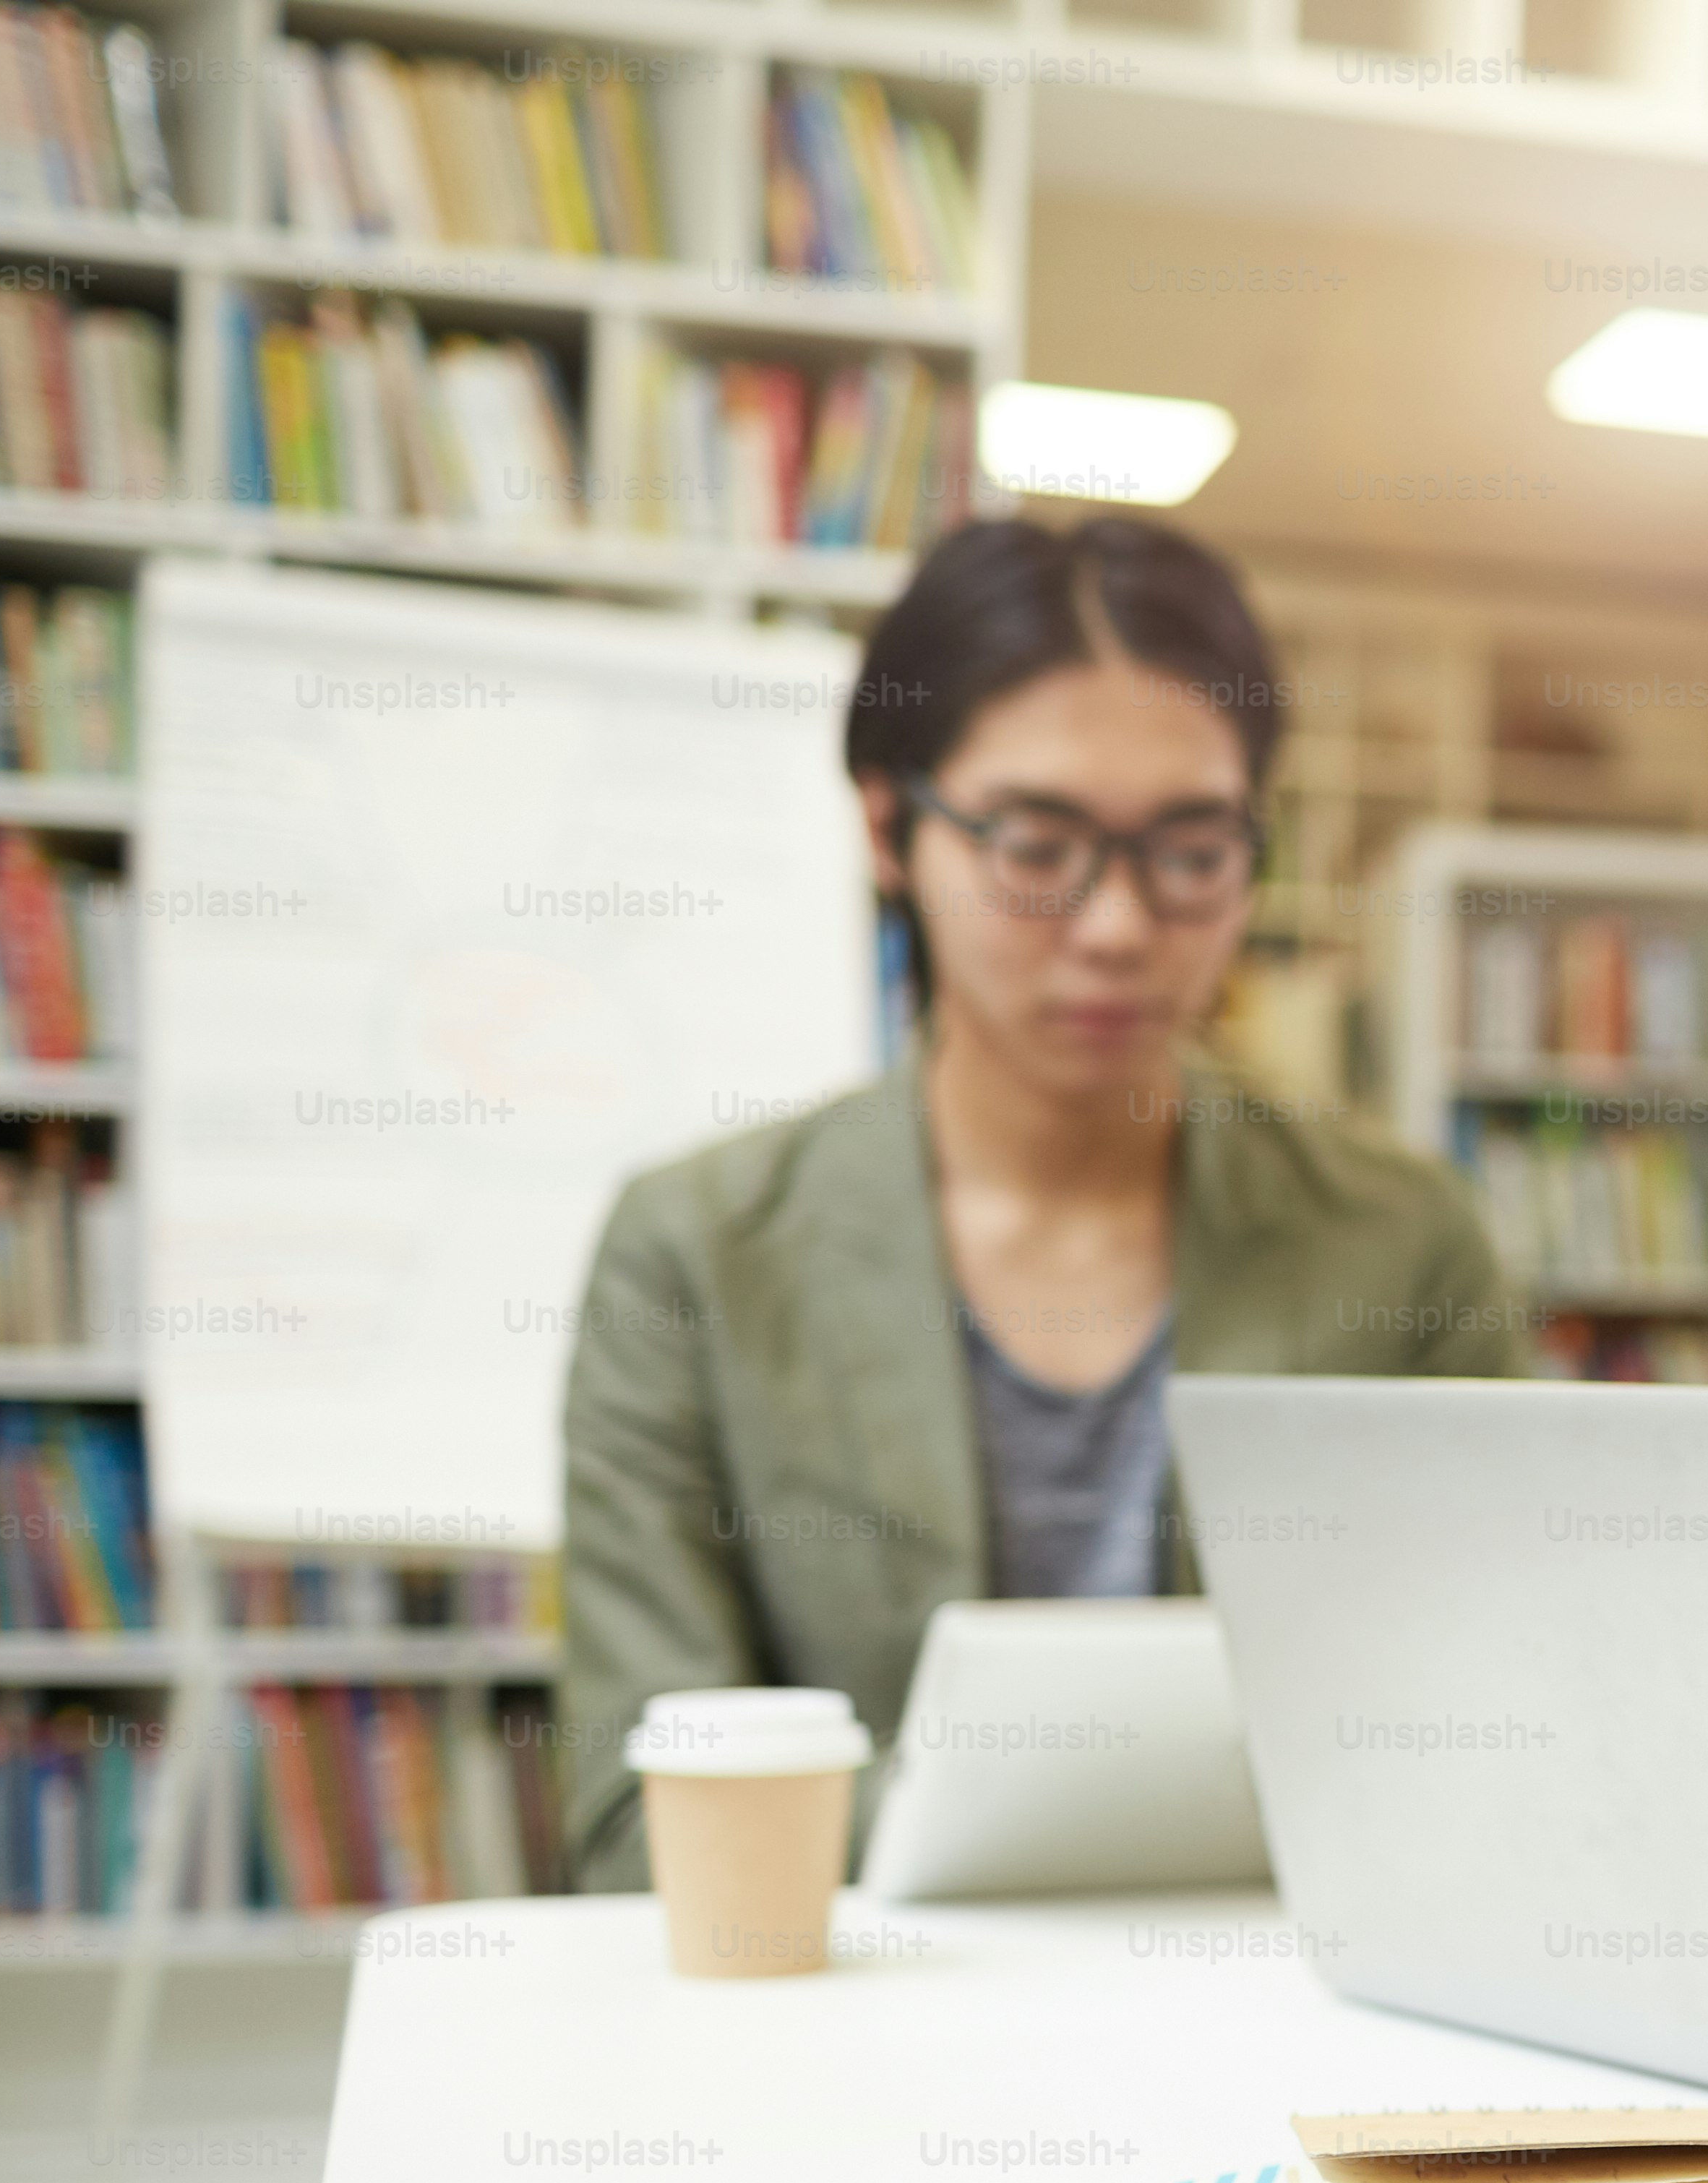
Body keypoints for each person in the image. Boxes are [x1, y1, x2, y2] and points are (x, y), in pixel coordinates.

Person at [557, 517, 1514, 1890]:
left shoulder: (1402, 1241)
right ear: (891, 828)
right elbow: (638, 1822)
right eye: (1036, 841)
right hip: (844, 2053)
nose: (1119, 924)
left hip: (1295, 2037)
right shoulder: (695, 1255)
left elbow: (1504, 1732)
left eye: (1192, 848)